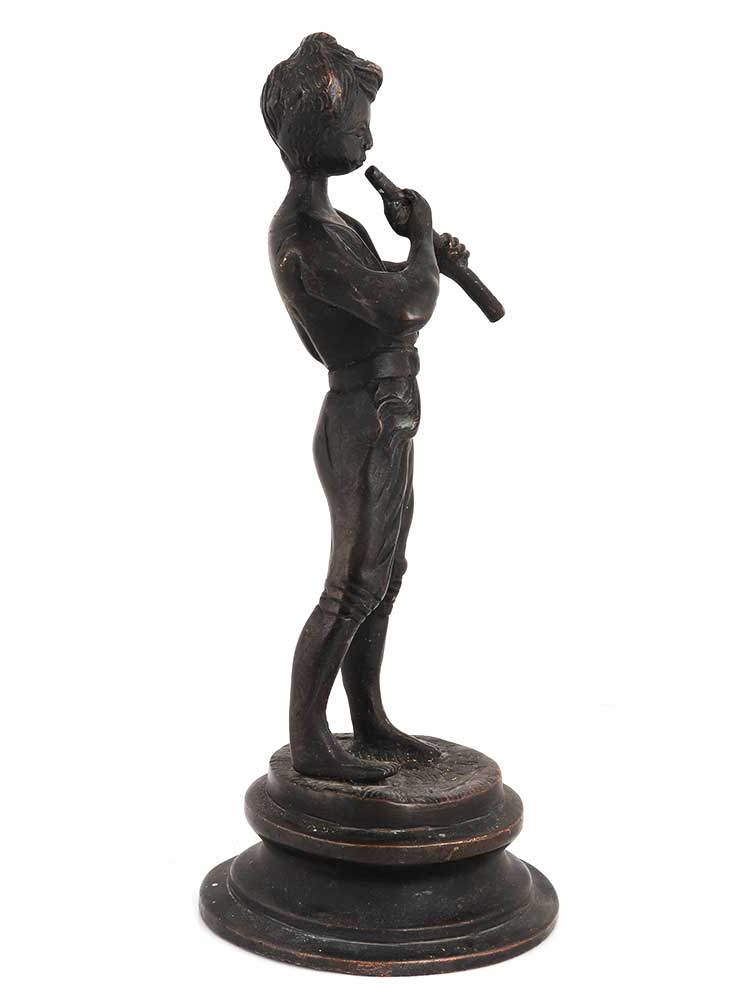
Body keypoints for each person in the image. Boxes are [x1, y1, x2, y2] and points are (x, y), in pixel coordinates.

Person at [261, 34, 466, 781]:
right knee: (351, 586)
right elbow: (404, 308)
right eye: (357, 127)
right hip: (364, 415)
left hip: (387, 410)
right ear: (319, 129)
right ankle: (312, 743)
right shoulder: (304, 236)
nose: (368, 142)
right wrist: (423, 245)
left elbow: (391, 291)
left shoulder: (337, 225)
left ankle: (369, 722)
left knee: (384, 575)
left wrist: (421, 253)